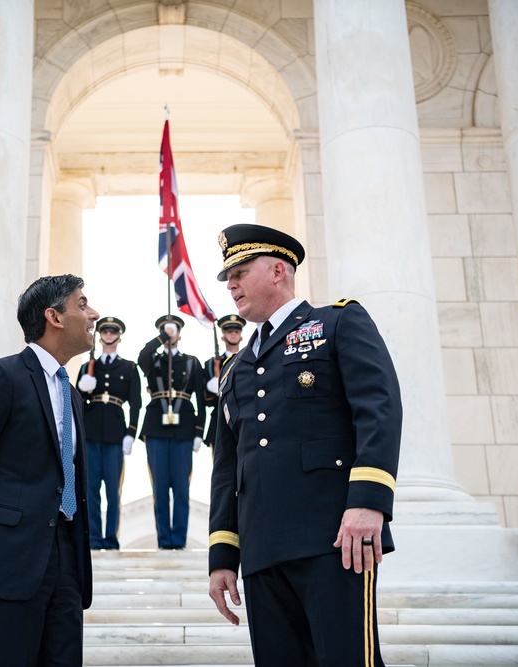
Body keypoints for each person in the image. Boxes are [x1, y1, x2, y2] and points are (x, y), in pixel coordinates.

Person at [206, 224, 402, 667]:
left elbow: (379, 410)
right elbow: (227, 467)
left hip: (333, 538)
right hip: (261, 551)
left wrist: (369, 502)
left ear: (278, 270)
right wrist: (223, 555)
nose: (230, 283)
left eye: (239, 270)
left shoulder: (336, 321)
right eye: (227, 276)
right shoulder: (235, 367)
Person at [0, 274, 98, 667]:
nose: (93, 314)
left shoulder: (71, 393)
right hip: (5, 561)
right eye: (82, 304)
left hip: (66, 562)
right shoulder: (2, 375)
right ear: (53, 317)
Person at [137, 314, 206, 550]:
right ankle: (164, 541)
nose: (170, 333)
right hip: (156, 428)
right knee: (160, 487)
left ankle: (179, 540)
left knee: (181, 488)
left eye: (173, 330)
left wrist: (199, 432)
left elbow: (200, 400)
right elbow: (142, 356)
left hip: (184, 429)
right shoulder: (153, 361)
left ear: (180, 333)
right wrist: (161, 338)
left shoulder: (191, 362)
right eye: (166, 330)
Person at [76, 316, 142, 550]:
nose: (109, 335)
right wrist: (82, 391)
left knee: (113, 491)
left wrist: (131, 433)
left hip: (115, 433)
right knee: (91, 489)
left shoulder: (129, 367)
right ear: (100, 336)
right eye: (105, 331)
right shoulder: (87, 367)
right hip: (91, 432)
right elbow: (77, 404)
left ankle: (111, 538)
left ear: (119, 336)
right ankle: (94, 537)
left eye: (113, 331)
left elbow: (136, 403)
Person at [202, 314, 246, 448]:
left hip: (244, 417)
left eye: (237, 331)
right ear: (222, 336)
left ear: (241, 335)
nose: (233, 334)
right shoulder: (211, 364)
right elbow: (207, 398)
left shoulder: (249, 359)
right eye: (229, 331)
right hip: (220, 418)